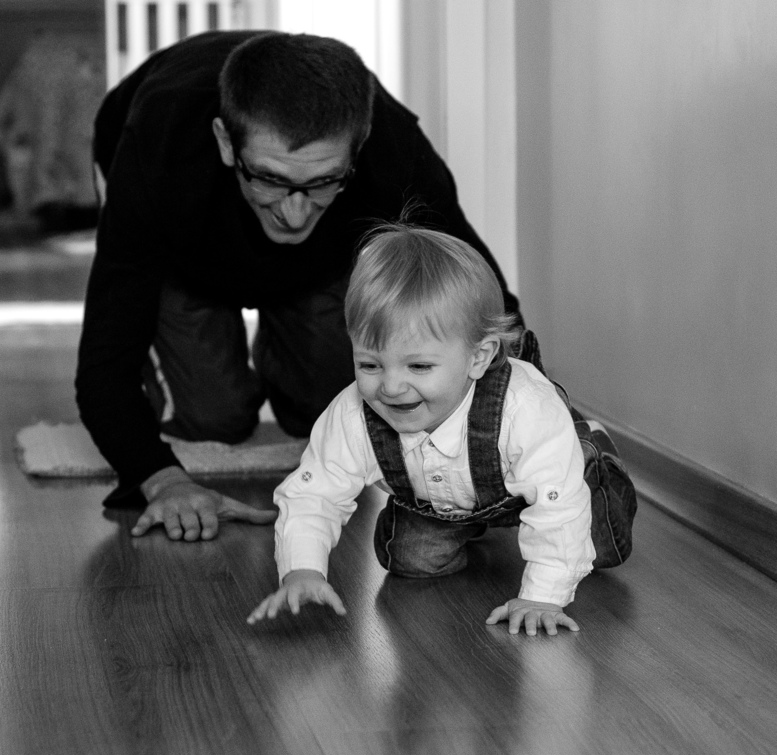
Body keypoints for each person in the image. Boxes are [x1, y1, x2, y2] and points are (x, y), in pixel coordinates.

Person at [76, 30, 519, 543]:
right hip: (185, 243)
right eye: (268, 178)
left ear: (360, 144)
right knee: (216, 417)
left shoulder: (393, 152)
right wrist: (163, 479)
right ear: (225, 142)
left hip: (319, 260)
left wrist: (528, 421)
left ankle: (284, 337)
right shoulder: (156, 150)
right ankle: (209, 335)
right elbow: (105, 356)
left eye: (324, 181)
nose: (293, 212)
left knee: (333, 406)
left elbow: (483, 305)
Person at [247, 225, 635, 635]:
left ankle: (595, 452)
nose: (391, 387)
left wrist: (543, 596)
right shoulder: (352, 414)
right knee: (409, 560)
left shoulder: (525, 407)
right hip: (442, 500)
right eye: (370, 364)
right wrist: (302, 571)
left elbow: (559, 508)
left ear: (478, 357)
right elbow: (313, 494)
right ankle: (472, 522)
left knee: (602, 544)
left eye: (418, 366)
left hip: (556, 478)